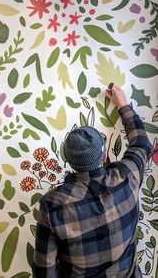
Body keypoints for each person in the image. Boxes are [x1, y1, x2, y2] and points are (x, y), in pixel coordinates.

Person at [32, 85, 153, 278]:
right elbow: (142, 144)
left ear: (69, 161)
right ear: (104, 154)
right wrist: (122, 103)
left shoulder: (52, 206)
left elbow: (44, 273)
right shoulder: (127, 176)